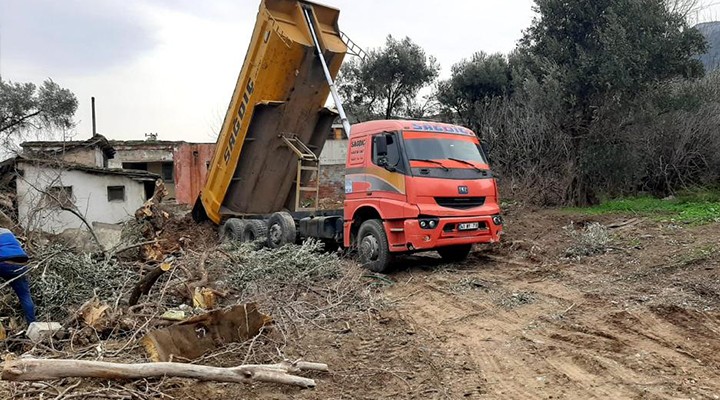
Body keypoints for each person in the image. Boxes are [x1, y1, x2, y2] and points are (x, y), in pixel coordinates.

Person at [0, 228, 36, 324]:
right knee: (24, 295)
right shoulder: (7, 231)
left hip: (4, 263)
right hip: (22, 264)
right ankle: (32, 325)